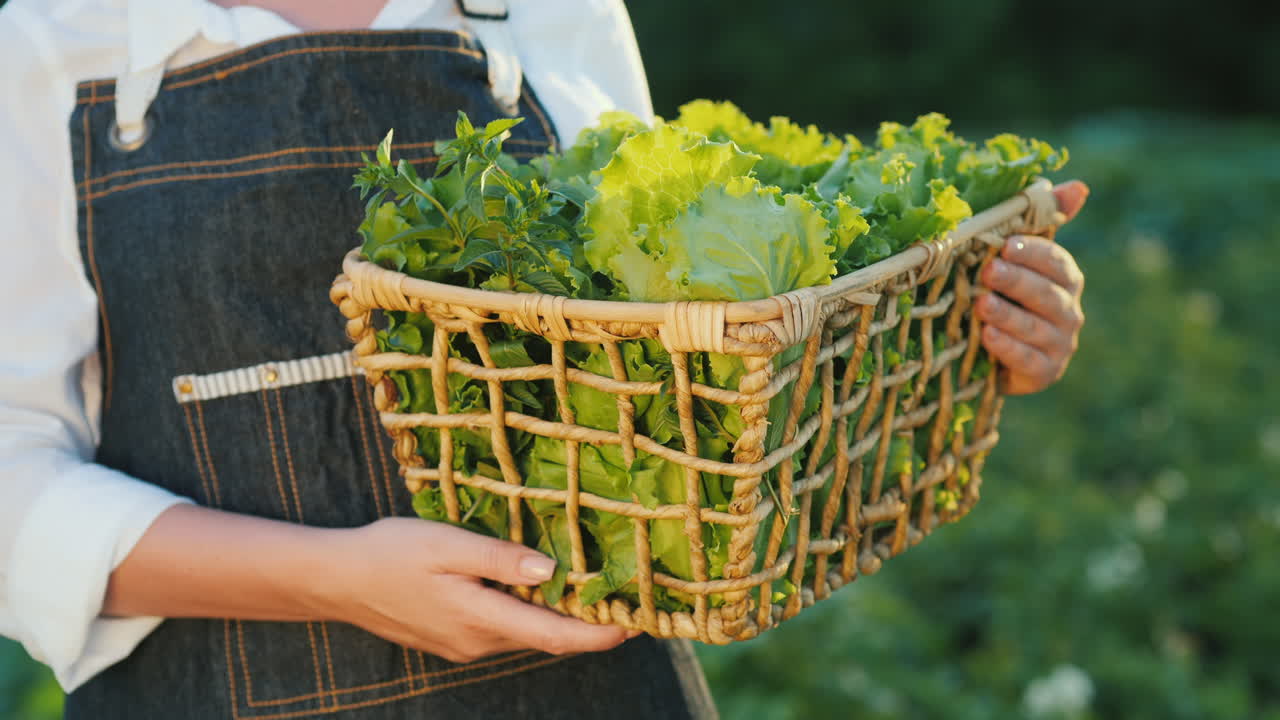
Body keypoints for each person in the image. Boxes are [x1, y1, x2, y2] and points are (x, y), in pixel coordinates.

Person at [0, 0, 1088, 718]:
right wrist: (333, 581)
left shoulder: (547, 7)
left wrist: (961, 335)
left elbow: (689, 387)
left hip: (599, 690)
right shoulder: (47, 43)